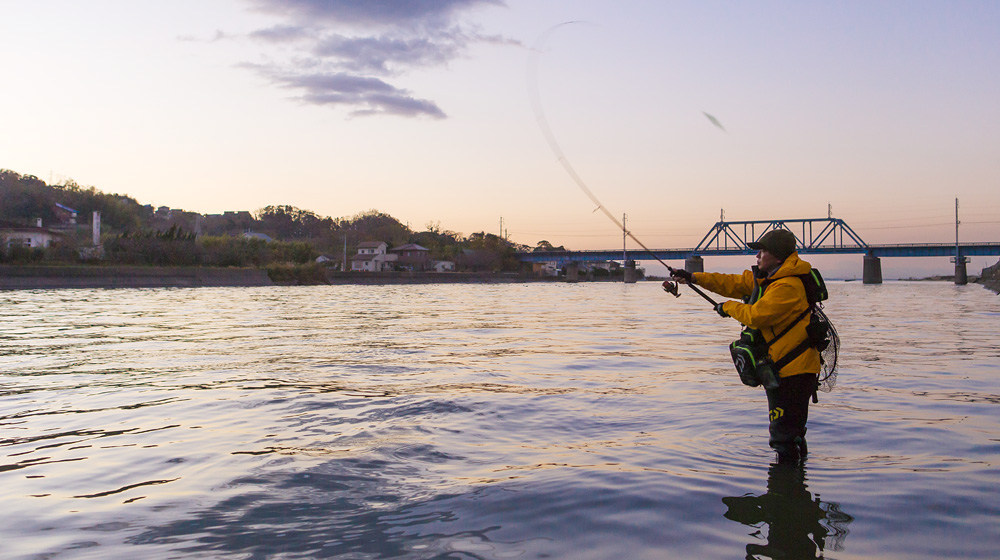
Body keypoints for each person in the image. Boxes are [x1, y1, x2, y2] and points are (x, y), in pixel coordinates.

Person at [668, 229, 820, 463]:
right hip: (786, 367)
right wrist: (692, 277)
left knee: (783, 436)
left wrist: (727, 307)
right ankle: (797, 481)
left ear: (778, 256)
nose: (757, 256)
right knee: (791, 432)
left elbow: (758, 315)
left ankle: (784, 487)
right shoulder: (768, 280)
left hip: (795, 371)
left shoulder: (787, 285)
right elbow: (731, 282)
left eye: (762, 251)